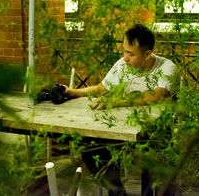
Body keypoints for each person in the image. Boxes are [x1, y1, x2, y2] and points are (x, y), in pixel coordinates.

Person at [63, 23, 177, 196]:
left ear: (147, 54)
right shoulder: (122, 65)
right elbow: (102, 88)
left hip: (155, 132)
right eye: (124, 51)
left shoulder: (167, 68)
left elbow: (155, 95)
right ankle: (117, 192)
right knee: (89, 146)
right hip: (123, 129)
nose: (125, 57)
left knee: (152, 167)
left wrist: (116, 101)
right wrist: (72, 92)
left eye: (130, 53)